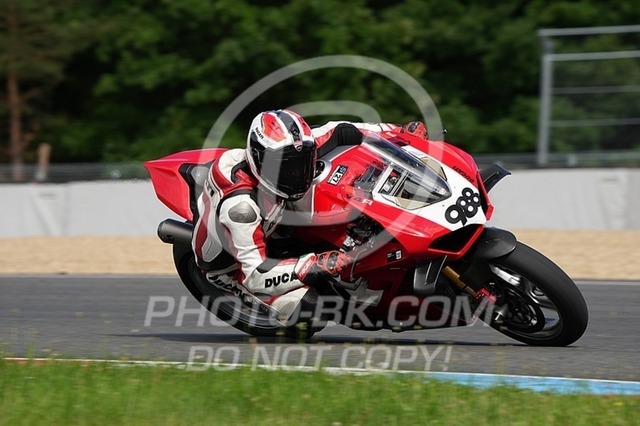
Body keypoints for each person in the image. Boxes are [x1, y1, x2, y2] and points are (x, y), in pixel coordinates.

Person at [191, 109, 428, 325]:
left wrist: (400, 131)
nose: (296, 174)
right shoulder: (242, 208)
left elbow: (346, 129)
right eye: (285, 168)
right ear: (259, 159)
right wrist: (313, 264)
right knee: (310, 311)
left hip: (277, 220)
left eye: (302, 163)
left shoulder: (300, 144)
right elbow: (256, 274)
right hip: (235, 266)